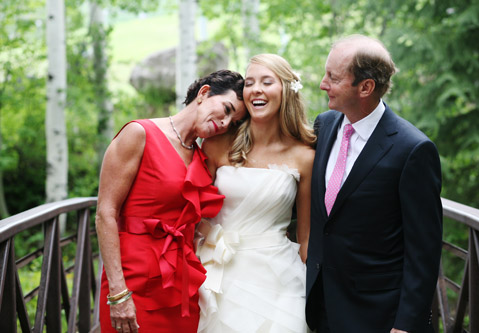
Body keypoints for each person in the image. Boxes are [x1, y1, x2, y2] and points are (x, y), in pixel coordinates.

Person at [306, 34, 443, 333]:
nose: (322, 83)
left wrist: (406, 324)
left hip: (378, 316)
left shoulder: (413, 150)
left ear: (365, 87)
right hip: (323, 306)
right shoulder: (325, 124)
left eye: (333, 77)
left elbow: (424, 251)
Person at [96, 69, 247, 333]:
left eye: (233, 121)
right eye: (226, 109)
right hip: (132, 281)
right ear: (204, 93)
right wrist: (119, 293)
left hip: (181, 282)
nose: (225, 123)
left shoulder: (203, 157)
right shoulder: (139, 133)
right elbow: (105, 213)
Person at [196, 53, 316, 332]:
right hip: (217, 272)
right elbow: (193, 212)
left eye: (266, 81)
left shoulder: (305, 156)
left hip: (278, 280)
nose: (256, 89)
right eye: (249, 83)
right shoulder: (216, 144)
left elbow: (306, 237)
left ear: (286, 89)